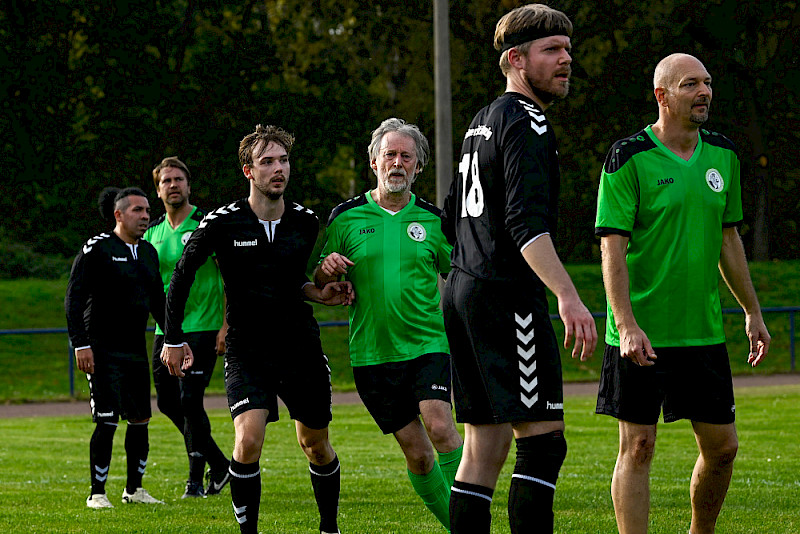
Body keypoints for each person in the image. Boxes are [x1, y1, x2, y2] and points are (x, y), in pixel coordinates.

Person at [594, 53, 771, 534]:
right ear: (662, 95)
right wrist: (625, 324)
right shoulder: (627, 156)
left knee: (723, 449)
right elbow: (612, 248)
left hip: (701, 331)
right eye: (691, 84)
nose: (704, 92)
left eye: (708, 83)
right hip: (641, 334)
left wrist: (751, 311)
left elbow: (728, 239)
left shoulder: (724, 155)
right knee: (638, 446)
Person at [440, 4, 597, 533]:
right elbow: (525, 224)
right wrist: (568, 296)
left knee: (484, 448)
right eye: (551, 51)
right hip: (506, 296)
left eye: (567, 51)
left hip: (465, 291)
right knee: (543, 443)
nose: (565, 61)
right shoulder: (527, 121)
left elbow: (453, 211)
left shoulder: (481, 123)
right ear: (515, 59)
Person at [160, 124, 353, 534]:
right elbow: (181, 276)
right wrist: (173, 338)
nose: (278, 169)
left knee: (314, 444)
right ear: (249, 171)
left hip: (300, 346)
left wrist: (321, 293)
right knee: (247, 441)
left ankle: (329, 527)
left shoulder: (305, 221)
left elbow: (292, 282)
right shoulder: (222, 223)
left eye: (283, 160)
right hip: (247, 349)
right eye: (267, 162)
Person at [314, 118, 464, 531]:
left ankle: (473, 525)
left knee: (440, 425)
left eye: (406, 156)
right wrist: (327, 270)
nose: (397, 163)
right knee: (417, 455)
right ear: (374, 162)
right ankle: (460, 525)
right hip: (372, 354)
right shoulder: (345, 219)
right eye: (389, 155)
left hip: (428, 344)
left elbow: (461, 276)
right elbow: (320, 280)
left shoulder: (435, 221)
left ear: (418, 168)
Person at [65, 187, 190, 509]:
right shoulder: (98, 248)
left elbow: (159, 303)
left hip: (135, 351)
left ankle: (135, 489)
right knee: (107, 419)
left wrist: (175, 338)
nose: (145, 216)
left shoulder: (148, 252)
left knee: (140, 420)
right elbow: (73, 299)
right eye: (137, 210)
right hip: (101, 351)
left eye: (147, 210)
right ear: (118, 215)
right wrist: (80, 344)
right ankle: (97, 493)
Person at [144, 156, 230, 498]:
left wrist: (226, 324)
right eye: (167, 181)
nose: (173, 185)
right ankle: (221, 464)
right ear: (158, 190)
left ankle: (196, 480)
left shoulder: (207, 224)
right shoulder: (152, 233)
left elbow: (228, 276)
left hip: (205, 326)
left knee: (190, 401)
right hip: (168, 332)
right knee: (167, 403)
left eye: (179, 179)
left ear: (189, 186)